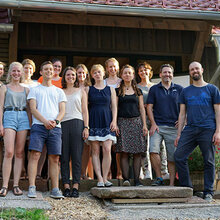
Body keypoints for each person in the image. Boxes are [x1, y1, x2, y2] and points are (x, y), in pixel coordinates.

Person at [174, 61, 220, 202]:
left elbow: (218, 111)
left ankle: (208, 192)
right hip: (190, 129)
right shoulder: (185, 91)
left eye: (196, 68)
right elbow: (182, 114)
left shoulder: (212, 89)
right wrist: (179, 134)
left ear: (202, 70)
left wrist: (218, 131)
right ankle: (187, 189)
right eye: (192, 69)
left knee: (209, 160)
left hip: (208, 128)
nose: (194, 71)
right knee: (179, 156)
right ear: (190, 72)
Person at [27, 61, 66, 199]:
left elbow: (62, 110)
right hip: (38, 126)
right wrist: (45, 122)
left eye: (51, 69)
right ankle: (32, 187)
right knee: (35, 155)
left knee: (54, 158)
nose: (49, 71)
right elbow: (33, 109)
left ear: (54, 72)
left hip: (55, 127)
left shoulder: (59, 91)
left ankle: (55, 189)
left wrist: (55, 122)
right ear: (41, 72)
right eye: (46, 69)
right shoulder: (35, 89)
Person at [147, 64, 183, 186]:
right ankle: (159, 178)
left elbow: (185, 108)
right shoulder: (154, 89)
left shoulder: (179, 89)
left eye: (169, 72)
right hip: (158, 127)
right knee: (153, 150)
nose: (167, 74)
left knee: (172, 157)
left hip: (174, 127)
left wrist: (183, 120)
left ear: (172, 74)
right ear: (160, 74)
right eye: (165, 72)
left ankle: (172, 183)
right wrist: (153, 124)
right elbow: (149, 107)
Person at [0, 62, 30, 197]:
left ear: (22, 73)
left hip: (23, 117)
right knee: (9, 152)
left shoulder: (26, 89)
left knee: (19, 152)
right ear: (10, 72)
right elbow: (0, 107)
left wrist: (30, 124)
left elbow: (30, 109)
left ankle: (16, 185)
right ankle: (5, 185)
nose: (16, 73)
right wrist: (0, 124)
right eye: (14, 71)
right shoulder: (4, 88)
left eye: (19, 71)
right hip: (9, 115)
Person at [115, 64, 147, 186]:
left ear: (133, 75)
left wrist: (144, 125)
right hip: (122, 122)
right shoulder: (117, 91)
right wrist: (115, 123)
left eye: (130, 73)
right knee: (124, 152)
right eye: (125, 73)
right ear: (121, 75)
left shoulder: (138, 90)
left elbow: (142, 109)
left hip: (136, 122)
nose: (127, 75)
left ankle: (137, 180)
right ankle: (126, 179)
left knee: (137, 152)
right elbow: (115, 108)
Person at [86, 64, 117, 187]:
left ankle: (105, 178)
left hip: (107, 120)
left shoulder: (111, 89)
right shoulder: (88, 89)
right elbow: (85, 108)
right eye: (95, 73)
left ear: (103, 73)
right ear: (92, 75)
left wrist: (114, 121)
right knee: (95, 150)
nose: (97, 74)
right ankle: (99, 178)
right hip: (94, 120)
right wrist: (86, 125)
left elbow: (114, 107)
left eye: (99, 72)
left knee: (107, 149)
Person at [136, 62, 169, 180]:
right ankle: (146, 171)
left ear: (150, 72)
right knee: (143, 145)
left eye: (145, 70)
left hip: (157, 118)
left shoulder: (156, 86)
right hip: (142, 118)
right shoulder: (136, 87)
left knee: (161, 145)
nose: (143, 72)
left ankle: (164, 171)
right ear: (138, 73)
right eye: (140, 70)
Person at [61, 66, 89, 198]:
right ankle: (66, 185)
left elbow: (85, 111)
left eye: (73, 75)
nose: (71, 77)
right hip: (63, 124)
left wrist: (86, 127)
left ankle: (76, 186)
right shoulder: (60, 92)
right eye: (68, 75)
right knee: (64, 156)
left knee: (77, 156)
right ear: (64, 77)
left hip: (78, 123)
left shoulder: (81, 91)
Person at [105, 58, 122, 180]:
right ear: (106, 69)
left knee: (119, 145)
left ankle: (120, 172)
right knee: (107, 145)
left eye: (114, 66)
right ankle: (109, 172)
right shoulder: (104, 82)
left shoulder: (122, 81)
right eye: (110, 67)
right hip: (106, 114)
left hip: (121, 114)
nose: (112, 69)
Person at [76, 64, 93, 180]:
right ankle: (74, 173)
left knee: (87, 147)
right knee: (75, 146)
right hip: (75, 117)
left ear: (86, 74)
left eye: (83, 73)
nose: (81, 75)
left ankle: (84, 173)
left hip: (88, 118)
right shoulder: (72, 87)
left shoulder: (90, 88)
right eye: (79, 73)